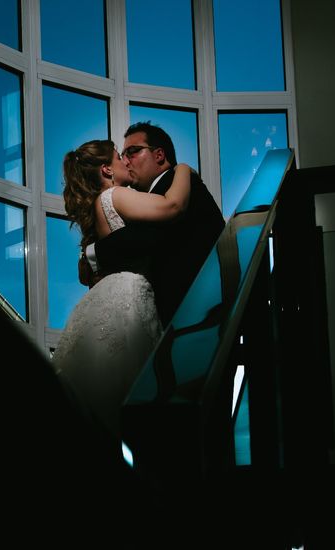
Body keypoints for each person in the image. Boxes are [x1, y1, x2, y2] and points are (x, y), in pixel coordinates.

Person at [53, 139, 193, 440]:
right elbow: (172, 206)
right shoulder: (114, 196)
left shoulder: (97, 209)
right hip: (128, 296)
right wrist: (183, 169)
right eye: (120, 157)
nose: (126, 162)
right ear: (107, 170)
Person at [83, 122, 226, 326]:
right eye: (122, 156)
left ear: (159, 155)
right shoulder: (153, 197)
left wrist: (93, 253)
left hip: (196, 310)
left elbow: (146, 235)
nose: (125, 161)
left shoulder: (180, 185)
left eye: (132, 152)